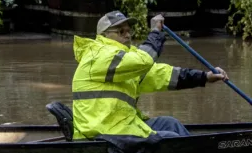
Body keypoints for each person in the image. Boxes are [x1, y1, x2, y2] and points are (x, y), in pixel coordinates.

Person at [71, 12, 228, 140]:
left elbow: (162, 75)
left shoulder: (123, 62)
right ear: (104, 36)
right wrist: (155, 32)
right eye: (121, 31)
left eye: (128, 30)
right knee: (169, 138)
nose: (127, 35)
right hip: (103, 133)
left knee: (170, 124)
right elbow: (144, 60)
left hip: (121, 128)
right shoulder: (99, 55)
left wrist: (205, 77)